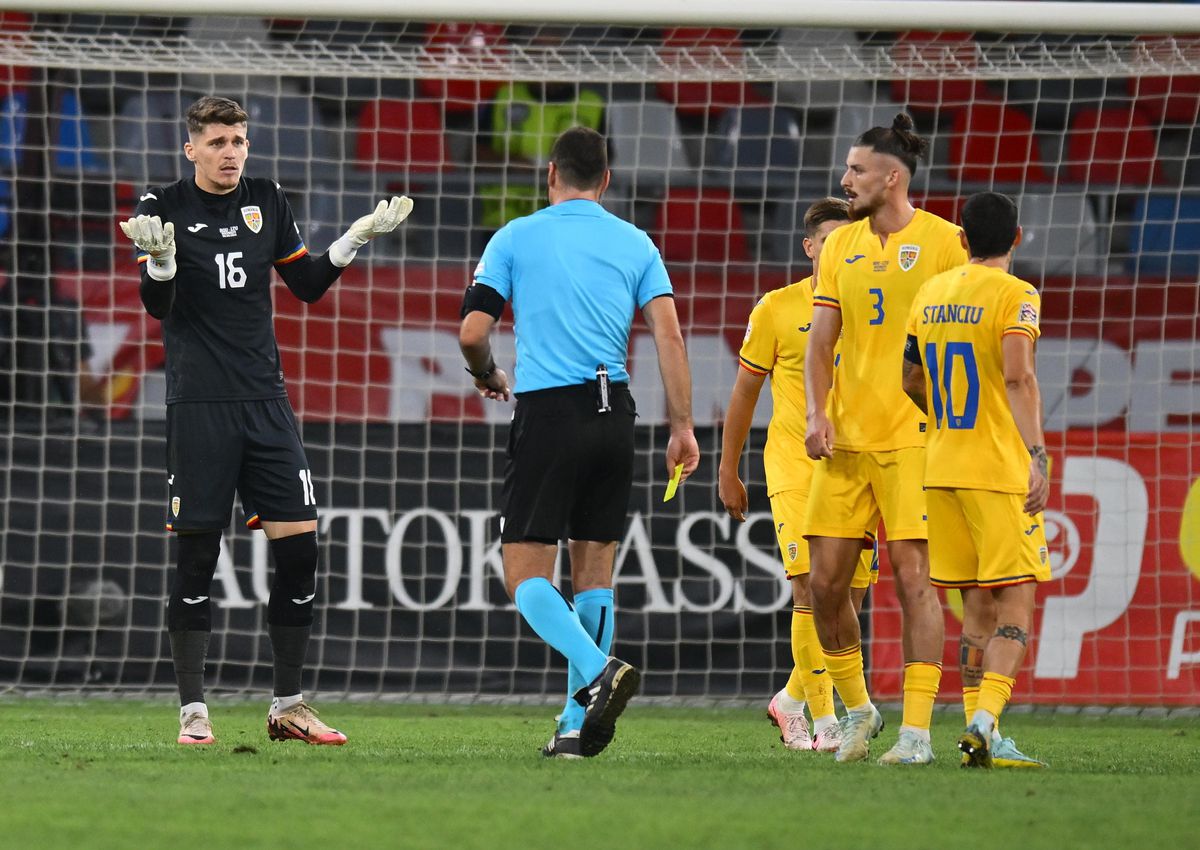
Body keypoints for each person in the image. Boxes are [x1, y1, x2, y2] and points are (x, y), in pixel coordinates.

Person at [118, 95, 413, 746]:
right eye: (218, 141)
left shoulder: (268, 200)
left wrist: (354, 239)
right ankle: (193, 712)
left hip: (266, 402)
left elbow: (305, 285)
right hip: (199, 404)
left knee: (302, 550)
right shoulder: (158, 207)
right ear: (190, 147)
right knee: (197, 557)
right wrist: (161, 263)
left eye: (239, 141)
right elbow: (157, 304)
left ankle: (288, 706)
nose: (231, 152)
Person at [459, 125, 699, 758]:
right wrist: (681, 427)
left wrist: (486, 374)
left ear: (551, 175)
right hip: (615, 411)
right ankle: (573, 726)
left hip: (550, 410)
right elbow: (669, 339)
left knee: (523, 571)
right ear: (607, 181)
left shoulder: (516, 236)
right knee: (595, 572)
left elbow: (471, 332)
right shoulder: (636, 241)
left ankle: (598, 669)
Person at [803, 113, 967, 765]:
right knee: (824, 584)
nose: (846, 180)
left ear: (891, 177)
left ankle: (919, 733)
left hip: (915, 441)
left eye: (857, 170)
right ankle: (860, 709)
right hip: (846, 438)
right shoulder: (840, 246)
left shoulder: (944, 242)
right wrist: (818, 413)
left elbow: (964, 335)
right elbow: (821, 341)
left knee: (914, 580)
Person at [718, 196, 878, 753]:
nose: (840, 251)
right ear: (810, 247)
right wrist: (728, 468)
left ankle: (788, 697)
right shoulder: (777, 309)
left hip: (857, 467)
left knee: (846, 603)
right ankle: (823, 719)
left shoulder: (873, 309)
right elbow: (744, 391)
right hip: (792, 467)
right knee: (810, 590)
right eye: (830, 241)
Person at [902, 191, 1051, 769]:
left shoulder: (932, 291)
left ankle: (973, 732)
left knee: (974, 606)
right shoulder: (1016, 294)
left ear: (961, 240)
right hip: (995, 469)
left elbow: (910, 377)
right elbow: (1018, 379)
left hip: (941, 467)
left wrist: (943, 418)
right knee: (1016, 597)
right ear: (1017, 238)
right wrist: (1035, 453)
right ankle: (987, 722)